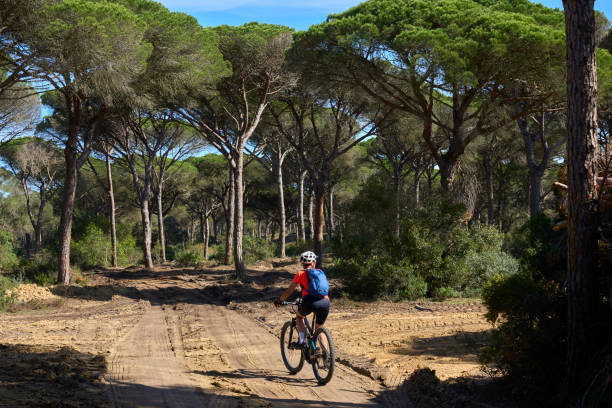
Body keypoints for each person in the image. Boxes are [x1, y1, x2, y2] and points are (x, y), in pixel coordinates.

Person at [274, 251, 330, 347]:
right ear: (313, 262)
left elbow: (289, 291)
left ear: (303, 263)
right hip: (325, 302)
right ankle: (327, 356)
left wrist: (280, 300)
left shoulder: (301, 273)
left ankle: (302, 341)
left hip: (309, 301)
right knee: (319, 329)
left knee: (299, 317)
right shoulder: (320, 272)